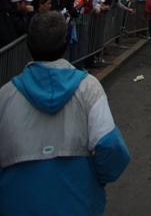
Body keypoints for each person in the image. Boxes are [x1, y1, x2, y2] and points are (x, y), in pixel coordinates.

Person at [0, 11, 131, 215]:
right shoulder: (89, 88)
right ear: (64, 44)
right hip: (77, 201)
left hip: (16, 201)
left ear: (28, 44)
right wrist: (97, 180)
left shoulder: (5, 95)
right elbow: (110, 146)